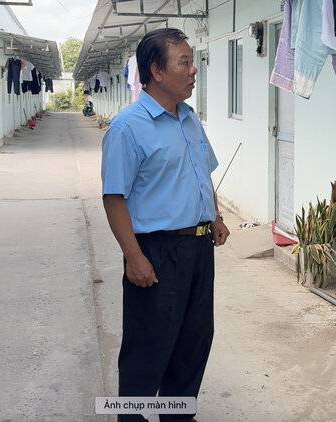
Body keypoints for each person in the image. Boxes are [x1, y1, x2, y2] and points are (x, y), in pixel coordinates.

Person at [101, 28, 230, 422]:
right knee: (149, 347)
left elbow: (202, 172)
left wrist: (215, 216)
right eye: (184, 62)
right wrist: (133, 256)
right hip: (156, 252)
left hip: (198, 249)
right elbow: (114, 197)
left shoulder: (188, 118)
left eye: (193, 61)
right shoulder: (127, 127)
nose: (193, 70)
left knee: (193, 343)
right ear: (156, 71)